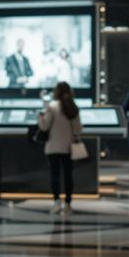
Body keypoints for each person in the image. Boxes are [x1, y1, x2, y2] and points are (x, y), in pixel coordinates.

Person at [38, 82, 83, 215]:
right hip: (69, 147)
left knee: (55, 175)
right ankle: (68, 204)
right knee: (68, 175)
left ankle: (57, 202)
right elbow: (78, 128)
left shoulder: (52, 106)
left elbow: (44, 126)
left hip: (53, 146)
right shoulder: (73, 107)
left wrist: (40, 116)